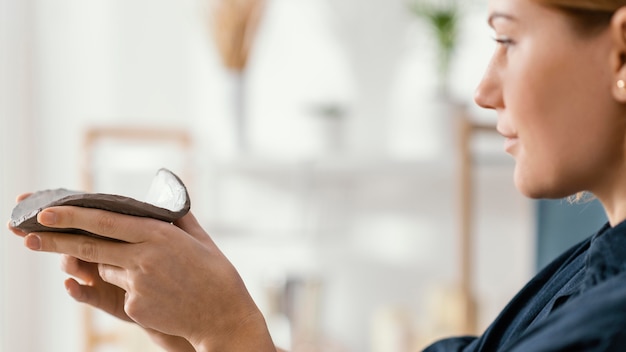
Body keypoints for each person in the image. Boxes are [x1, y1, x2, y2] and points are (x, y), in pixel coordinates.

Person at [9, 0, 626, 350]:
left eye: (508, 40)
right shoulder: (585, 271)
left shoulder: (606, 325)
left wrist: (229, 329)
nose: (484, 90)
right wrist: (190, 331)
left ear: (622, 54)